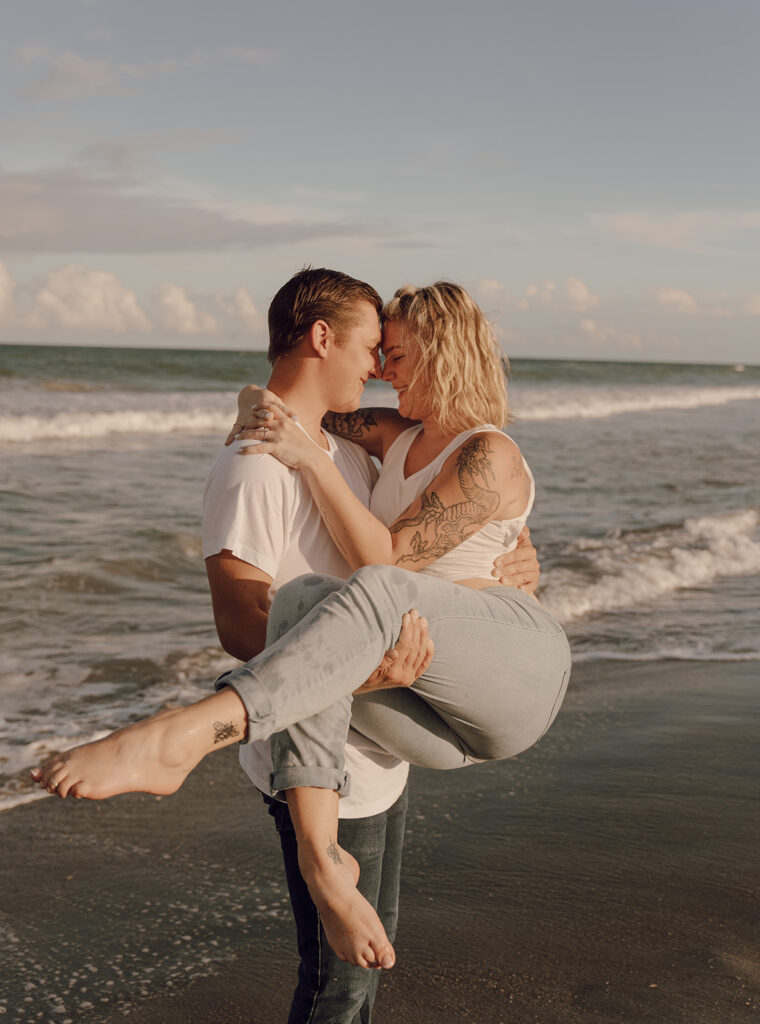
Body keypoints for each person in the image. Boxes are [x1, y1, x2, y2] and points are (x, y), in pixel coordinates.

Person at [33, 269, 540, 1022]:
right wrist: (367, 672)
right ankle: (189, 746)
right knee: (339, 980)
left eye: (394, 353)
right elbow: (244, 630)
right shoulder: (257, 462)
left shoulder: (352, 449)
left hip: (387, 731)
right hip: (327, 745)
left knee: (365, 965)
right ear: (324, 337)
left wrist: (521, 548)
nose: (378, 366)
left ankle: (183, 737)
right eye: (375, 347)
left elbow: (455, 511)